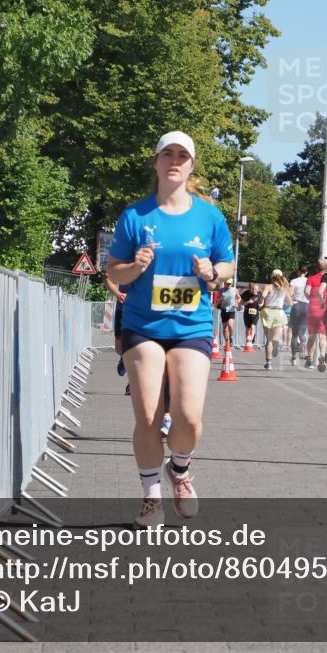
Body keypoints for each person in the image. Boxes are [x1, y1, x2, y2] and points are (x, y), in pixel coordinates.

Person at [105, 131, 234, 528]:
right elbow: (114, 271)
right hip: (144, 326)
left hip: (191, 325)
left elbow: (227, 267)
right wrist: (136, 267)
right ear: (157, 163)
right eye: (167, 154)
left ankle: (179, 470)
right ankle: (150, 497)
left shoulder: (209, 215)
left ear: (191, 165)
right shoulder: (136, 216)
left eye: (182, 155)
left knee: (188, 417)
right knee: (147, 416)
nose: (174, 161)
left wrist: (212, 272)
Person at [104, 275, 131, 395]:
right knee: (120, 348)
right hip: (123, 309)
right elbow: (107, 278)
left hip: (144, 313)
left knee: (138, 350)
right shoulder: (123, 260)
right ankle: (124, 357)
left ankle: (132, 384)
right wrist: (118, 294)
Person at [259, 269, 292, 370]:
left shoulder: (268, 286)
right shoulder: (284, 288)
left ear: (272, 277)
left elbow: (263, 296)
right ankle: (276, 344)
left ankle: (268, 363)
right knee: (275, 338)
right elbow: (290, 302)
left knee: (268, 339)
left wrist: (261, 301)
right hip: (279, 312)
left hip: (268, 312)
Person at [304, 257, 327, 371]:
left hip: (312, 309)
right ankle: (322, 357)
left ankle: (309, 360)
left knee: (312, 336)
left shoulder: (311, 278)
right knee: (323, 336)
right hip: (324, 309)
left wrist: (311, 299)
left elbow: (306, 292)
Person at [288, 265, 309, 365]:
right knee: (303, 331)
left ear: (298, 271)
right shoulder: (309, 281)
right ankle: (303, 349)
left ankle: (293, 358)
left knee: (294, 334)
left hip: (296, 305)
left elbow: (290, 294)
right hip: (307, 305)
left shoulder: (294, 281)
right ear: (306, 272)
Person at [216, 278, 239, 348]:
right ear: (225, 283)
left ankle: (231, 337)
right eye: (227, 284)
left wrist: (236, 303)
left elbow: (239, 298)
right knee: (225, 328)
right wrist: (221, 299)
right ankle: (227, 342)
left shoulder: (235, 290)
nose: (228, 285)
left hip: (231, 310)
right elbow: (217, 300)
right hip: (224, 310)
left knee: (230, 325)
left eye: (229, 284)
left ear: (231, 284)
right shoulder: (221, 290)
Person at [240, 282, 261, 347]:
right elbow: (241, 303)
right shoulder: (246, 293)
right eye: (252, 289)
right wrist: (247, 302)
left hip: (256, 312)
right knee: (248, 328)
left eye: (255, 289)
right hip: (247, 312)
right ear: (250, 288)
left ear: (258, 289)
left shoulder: (260, 294)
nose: (254, 290)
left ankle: (250, 341)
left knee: (253, 326)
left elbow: (263, 302)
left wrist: (261, 305)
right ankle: (248, 340)